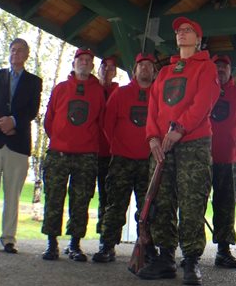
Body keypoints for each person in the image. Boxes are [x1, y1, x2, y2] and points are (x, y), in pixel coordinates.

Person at [137, 17, 220, 285]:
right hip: (162, 146)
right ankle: (165, 257)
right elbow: (153, 109)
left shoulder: (206, 68)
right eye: (179, 31)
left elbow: (203, 101)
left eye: (188, 31)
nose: (182, 34)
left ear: (198, 38)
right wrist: (152, 138)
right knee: (161, 201)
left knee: (192, 201)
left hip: (193, 145)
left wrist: (180, 129)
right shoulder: (163, 73)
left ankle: (192, 260)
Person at [41, 48, 105, 261]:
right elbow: (49, 119)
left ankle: (75, 244)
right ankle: (51, 244)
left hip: (86, 155)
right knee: (54, 198)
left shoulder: (97, 92)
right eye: (81, 60)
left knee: (81, 200)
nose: (84, 63)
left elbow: (101, 121)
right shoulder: (60, 88)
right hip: (58, 153)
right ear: (74, 63)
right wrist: (60, 139)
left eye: (89, 60)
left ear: (92, 66)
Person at [92, 53, 157, 263]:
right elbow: (107, 123)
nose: (145, 68)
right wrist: (119, 145)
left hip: (148, 161)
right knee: (115, 205)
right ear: (134, 70)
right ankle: (107, 245)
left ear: (154, 71)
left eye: (149, 65)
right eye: (141, 65)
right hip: (121, 160)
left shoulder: (159, 95)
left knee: (147, 208)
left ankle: (147, 247)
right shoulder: (121, 94)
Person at [0, 38, 42, 254]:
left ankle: (9, 239)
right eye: (12, 49)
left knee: (12, 194)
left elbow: (32, 110)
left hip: (18, 144)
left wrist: (14, 122)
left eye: (20, 50)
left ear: (26, 55)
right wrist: (3, 123)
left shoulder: (34, 82)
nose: (15, 53)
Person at [209, 54, 236, 269]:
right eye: (216, 66)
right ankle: (190, 251)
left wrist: (234, 144)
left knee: (226, 207)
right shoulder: (203, 90)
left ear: (230, 70)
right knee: (192, 206)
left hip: (229, 160)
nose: (220, 70)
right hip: (200, 160)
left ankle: (223, 251)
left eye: (224, 67)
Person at [95, 55, 119, 248]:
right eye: (105, 66)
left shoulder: (118, 92)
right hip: (87, 150)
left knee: (107, 197)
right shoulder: (91, 88)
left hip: (109, 153)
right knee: (80, 196)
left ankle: (105, 239)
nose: (108, 70)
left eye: (112, 67)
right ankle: (74, 240)